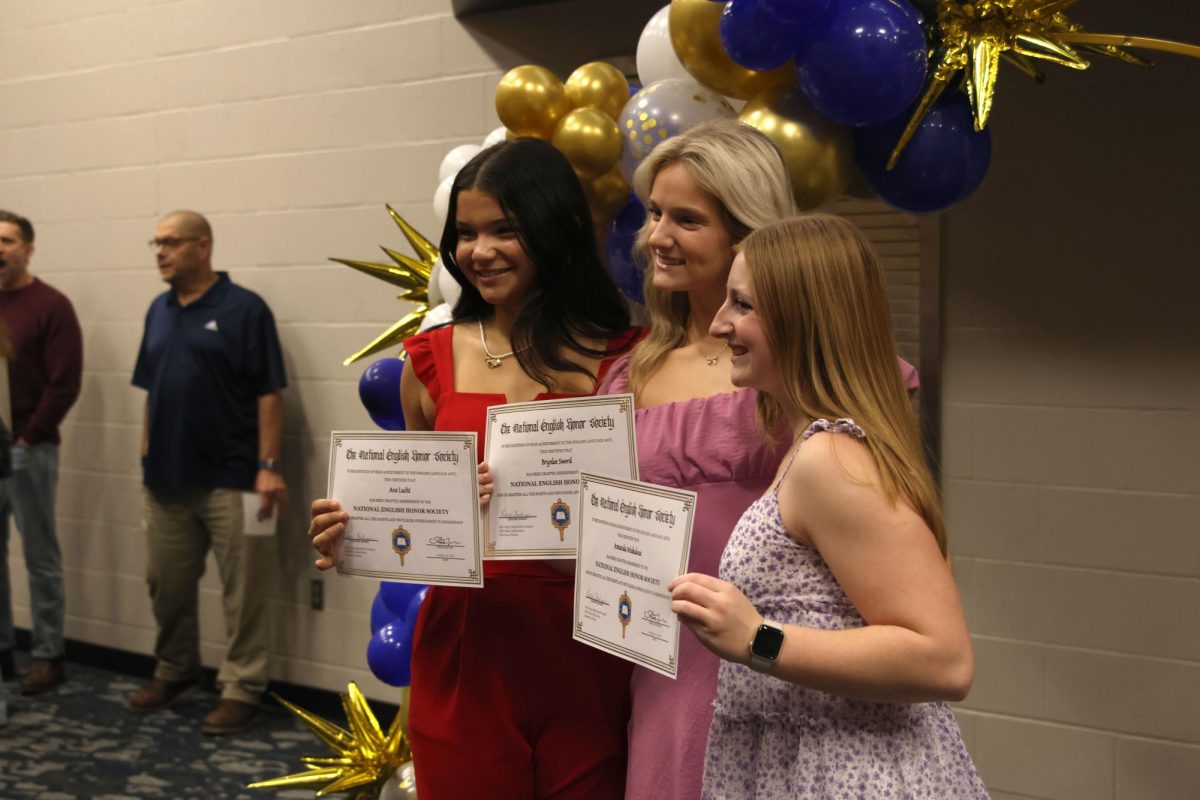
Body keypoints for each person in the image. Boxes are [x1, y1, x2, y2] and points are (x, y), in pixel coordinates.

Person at [600, 119, 921, 800]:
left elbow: (920, 614)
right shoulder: (629, 372)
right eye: (654, 212)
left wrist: (768, 644)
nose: (656, 236)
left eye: (686, 218)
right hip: (660, 663)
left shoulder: (799, 377)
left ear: (747, 234)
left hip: (789, 663)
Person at [309, 138, 638, 799]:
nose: (478, 252)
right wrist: (356, 528)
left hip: (588, 641)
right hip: (467, 643)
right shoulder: (428, 360)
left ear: (558, 228)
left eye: (503, 230)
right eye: (464, 233)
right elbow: (412, 511)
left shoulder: (627, 360)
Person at [670, 214, 987, 798]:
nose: (719, 324)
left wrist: (758, 639)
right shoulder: (806, 448)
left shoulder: (831, 459)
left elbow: (943, 660)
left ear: (803, 319)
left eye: (742, 305)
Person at [129, 210, 288, 735]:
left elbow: (270, 392)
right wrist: (147, 449)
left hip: (237, 478)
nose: (160, 252)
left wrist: (268, 467)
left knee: (245, 594)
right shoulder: (158, 309)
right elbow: (152, 389)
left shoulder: (245, 309)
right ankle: (175, 669)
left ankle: (242, 687)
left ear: (203, 246)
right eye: (156, 243)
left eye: (171, 243)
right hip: (166, 480)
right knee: (164, 584)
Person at [0, 210, 83, 694]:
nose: (0, 248)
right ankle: (4, 649)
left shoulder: (51, 305)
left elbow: (64, 382)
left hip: (30, 451)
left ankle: (49, 654)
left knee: (39, 557)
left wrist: (29, 437)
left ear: (28, 248)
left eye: (8, 240)